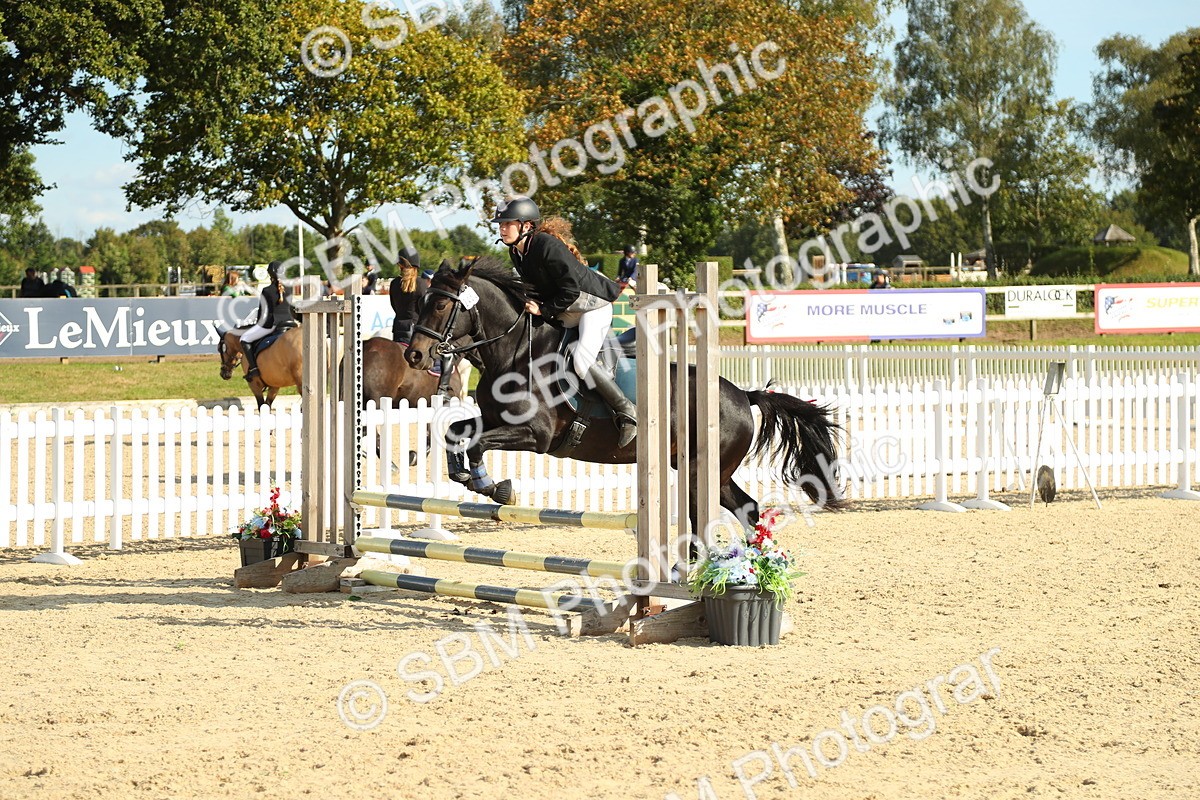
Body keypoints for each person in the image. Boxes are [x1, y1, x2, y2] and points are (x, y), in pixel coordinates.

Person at [492, 196, 637, 447]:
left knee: (581, 361)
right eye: (501, 224)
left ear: (526, 226)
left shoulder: (547, 246)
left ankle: (626, 412)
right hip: (566, 310)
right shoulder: (516, 251)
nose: (502, 229)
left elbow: (570, 291)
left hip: (592, 307)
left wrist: (543, 310)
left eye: (507, 223)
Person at [239, 261, 296, 379]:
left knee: (244, 339)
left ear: (270, 274)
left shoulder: (267, 290)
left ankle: (254, 369)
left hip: (273, 324)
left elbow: (262, 313)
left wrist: (256, 325)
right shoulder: (290, 288)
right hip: (290, 323)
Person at [390, 249, 428, 344]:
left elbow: (393, 305)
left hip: (398, 328)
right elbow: (425, 309)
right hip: (416, 328)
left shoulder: (394, 283)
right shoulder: (421, 283)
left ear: (400, 265)